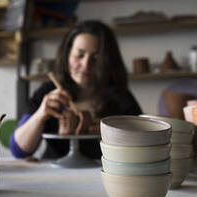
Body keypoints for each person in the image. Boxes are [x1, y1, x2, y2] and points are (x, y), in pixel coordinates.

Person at [10, 20, 142, 159]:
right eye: (79, 55)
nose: (85, 65)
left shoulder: (120, 97)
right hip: (54, 173)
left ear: (108, 61)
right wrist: (40, 115)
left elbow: (142, 148)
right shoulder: (49, 93)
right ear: (67, 53)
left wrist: (117, 138)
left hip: (102, 176)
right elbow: (18, 150)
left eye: (96, 58)